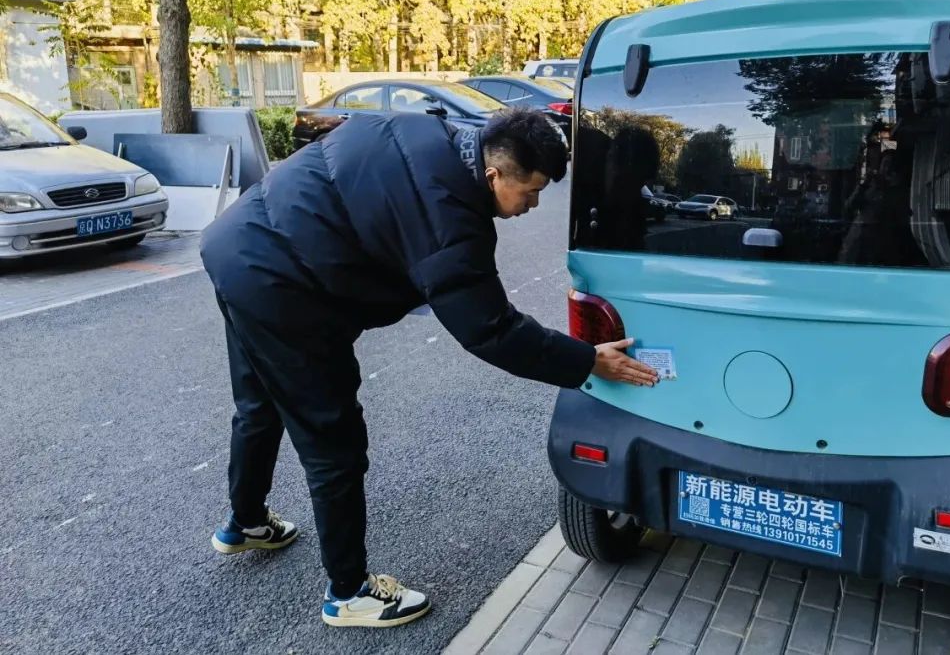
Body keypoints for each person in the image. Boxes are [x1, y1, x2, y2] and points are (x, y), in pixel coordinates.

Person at [199, 108, 659, 629]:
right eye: (529, 193)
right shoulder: (451, 222)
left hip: (235, 243)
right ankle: (349, 594)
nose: (532, 206)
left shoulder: (425, 130)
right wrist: (589, 360)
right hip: (285, 288)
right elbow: (492, 331)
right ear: (493, 174)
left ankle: (246, 522)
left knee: (259, 403)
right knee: (333, 442)